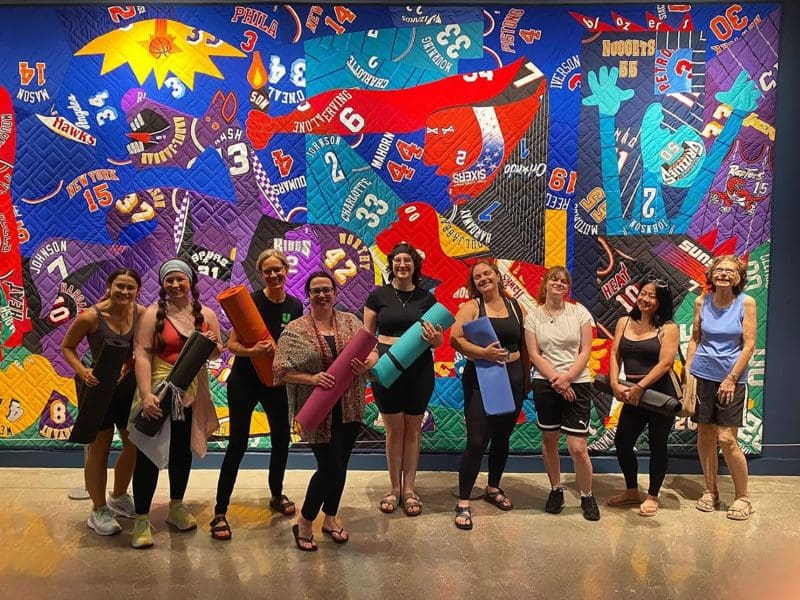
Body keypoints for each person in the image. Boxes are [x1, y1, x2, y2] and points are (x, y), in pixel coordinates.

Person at [211, 249, 304, 541]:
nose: (274, 275)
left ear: (286, 270)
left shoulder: (295, 305)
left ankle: (276, 494)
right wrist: (253, 352)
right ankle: (219, 511)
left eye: (278, 269)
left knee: (281, 440)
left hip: (275, 382)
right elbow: (232, 345)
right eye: (268, 271)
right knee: (237, 444)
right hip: (244, 381)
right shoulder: (250, 302)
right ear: (261, 274)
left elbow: (295, 344)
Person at [274, 271, 371, 551]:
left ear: (335, 293)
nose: (322, 294)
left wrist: (367, 364)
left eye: (327, 289)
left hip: (350, 405)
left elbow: (371, 351)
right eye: (316, 290)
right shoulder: (295, 329)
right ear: (308, 294)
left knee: (341, 466)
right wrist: (312, 378)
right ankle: (305, 521)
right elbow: (280, 370)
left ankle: (330, 518)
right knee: (329, 467)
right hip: (318, 410)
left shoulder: (351, 322)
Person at [130, 258, 222, 548]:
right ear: (163, 284)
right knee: (147, 455)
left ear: (191, 281)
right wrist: (146, 395)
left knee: (181, 453)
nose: (175, 284)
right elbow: (142, 354)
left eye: (180, 278)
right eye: (169, 279)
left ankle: (177, 506)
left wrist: (210, 343)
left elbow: (216, 354)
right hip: (158, 390)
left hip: (189, 393)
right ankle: (141, 520)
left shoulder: (205, 314)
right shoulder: (152, 314)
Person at [62, 269, 145, 535]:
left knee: (133, 445)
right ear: (110, 286)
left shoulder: (141, 314)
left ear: (137, 291)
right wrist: (82, 371)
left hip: (127, 388)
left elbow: (143, 348)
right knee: (100, 448)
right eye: (119, 286)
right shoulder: (90, 316)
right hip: (97, 388)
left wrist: (131, 363)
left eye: (130, 288)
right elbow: (67, 347)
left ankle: (119, 497)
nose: (124, 292)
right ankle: (98, 510)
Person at [363, 243, 443, 517]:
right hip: (386, 369)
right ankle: (394, 488)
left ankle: (409, 489)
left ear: (414, 266)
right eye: (397, 261)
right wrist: (370, 361)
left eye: (407, 261)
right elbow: (366, 338)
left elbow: (438, 339)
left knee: (413, 432)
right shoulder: (377, 296)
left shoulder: (426, 299)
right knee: (394, 432)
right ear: (391, 264)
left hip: (419, 369)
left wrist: (436, 340)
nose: (402, 265)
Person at [449, 259, 528, 530]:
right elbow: (454, 339)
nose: (483, 279)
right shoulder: (472, 307)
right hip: (481, 379)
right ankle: (463, 501)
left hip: (514, 376)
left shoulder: (516, 306)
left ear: (497, 276)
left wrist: (527, 378)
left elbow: (527, 344)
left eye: (487, 274)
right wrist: (484, 353)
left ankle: (493, 488)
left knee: (503, 437)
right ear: (474, 283)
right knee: (477, 440)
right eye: (478, 277)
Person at [524, 266, 599, 521]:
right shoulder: (533, 316)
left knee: (578, 447)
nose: (559, 284)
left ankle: (587, 495)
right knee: (550, 441)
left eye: (564, 281)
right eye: (554, 279)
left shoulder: (579, 312)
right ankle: (556, 489)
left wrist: (568, 379)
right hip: (546, 383)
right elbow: (534, 354)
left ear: (568, 287)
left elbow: (585, 351)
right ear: (545, 284)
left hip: (577, 381)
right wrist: (557, 380)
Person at [687, 255, 757, 520]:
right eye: (719, 269)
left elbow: (749, 344)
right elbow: (696, 339)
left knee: (727, 439)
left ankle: (743, 497)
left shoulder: (745, 302)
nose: (724, 274)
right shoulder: (700, 301)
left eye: (730, 270)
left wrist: (732, 378)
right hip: (703, 375)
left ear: (738, 277)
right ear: (711, 274)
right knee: (705, 433)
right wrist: (689, 375)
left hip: (732, 378)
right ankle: (710, 491)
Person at [606, 279, 679, 517]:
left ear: (661, 302)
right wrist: (615, 382)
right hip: (632, 394)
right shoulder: (623, 322)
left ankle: (653, 495)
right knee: (623, 442)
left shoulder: (669, 328)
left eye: (652, 296)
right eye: (643, 294)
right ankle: (631, 490)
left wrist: (640, 387)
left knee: (658, 445)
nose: (645, 299)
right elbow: (615, 353)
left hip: (660, 395)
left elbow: (666, 363)